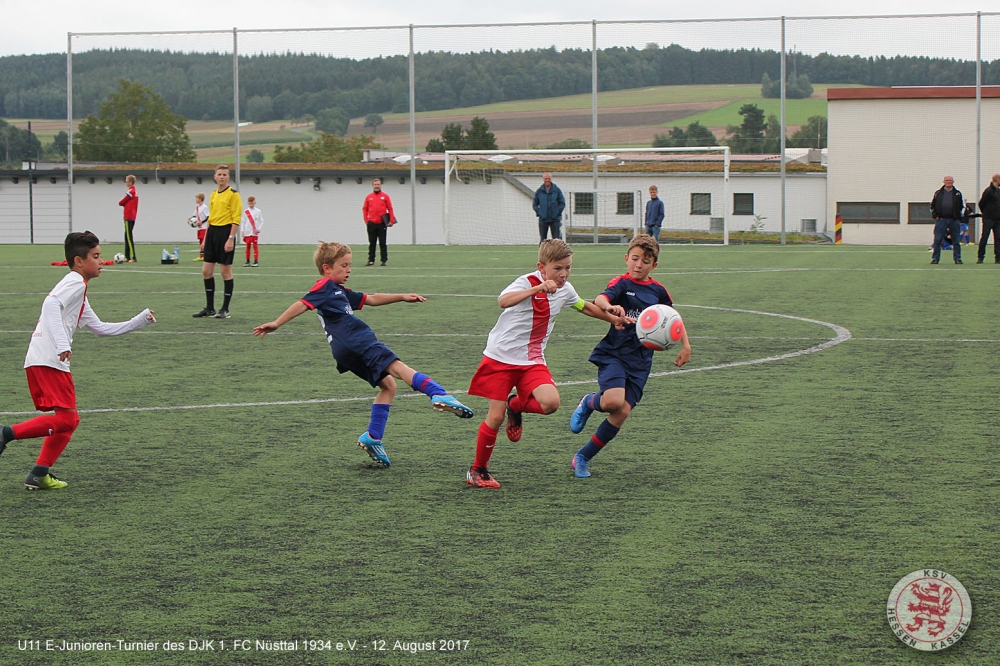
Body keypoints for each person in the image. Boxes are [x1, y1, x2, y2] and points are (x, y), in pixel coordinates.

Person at [253, 241, 474, 467]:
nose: (349, 270)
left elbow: (371, 299)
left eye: (350, 265)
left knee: (389, 386)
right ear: (327, 268)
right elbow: (302, 303)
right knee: (398, 368)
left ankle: (373, 437)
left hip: (345, 352)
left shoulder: (339, 291)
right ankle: (438, 393)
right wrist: (277, 323)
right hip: (357, 340)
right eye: (344, 265)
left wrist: (402, 296)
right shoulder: (325, 286)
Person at [465, 239, 631, 489]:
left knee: (550, 404)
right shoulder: (527, 282)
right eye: (557, 268)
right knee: (495, 417)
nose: (563, 274)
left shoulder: (565, 289)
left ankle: (516, 405)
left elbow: (583, 306)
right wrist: (538, 289)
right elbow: (504, 301)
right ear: (541, 267)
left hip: (531, 360)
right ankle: (478, 470)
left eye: (568, 268)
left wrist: (612, 319)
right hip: (500, 358)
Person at [0, 231, 155, 490]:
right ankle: (5, 433)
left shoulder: (79, 291)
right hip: (50, 357)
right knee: (67, 420)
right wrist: (62, 344)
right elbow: (50, 305)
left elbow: (101, 328)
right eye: (95, 256)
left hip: (45, 358)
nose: (101, 261)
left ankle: (39, 473)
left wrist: (138, 321)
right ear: (79, 261)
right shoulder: (74, 281)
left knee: (69, 420)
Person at [568, 234, 691, 479]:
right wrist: (609, 307)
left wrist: (685, 346)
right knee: (612, 401)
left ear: (653, 265)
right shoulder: (622, 284)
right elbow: (601, 298)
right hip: (614, 353)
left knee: (621, 412)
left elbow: (673, 319)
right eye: (634, 259)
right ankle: (589, 402)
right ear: (626, 258)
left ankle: (582, 457)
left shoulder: (658, 291)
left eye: (645, 261)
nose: (638, 265)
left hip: (641, 361)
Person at [194, 164, 242, 319]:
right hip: (212, 232)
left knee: (225, 271)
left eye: (224, 175)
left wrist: (231, 238)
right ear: (215, 176)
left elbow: (236, 218)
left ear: (228, 177)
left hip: (225, 232)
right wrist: (205, 239)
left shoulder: (233, 194)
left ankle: (225, 309)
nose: (221, 177)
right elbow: (211, 218)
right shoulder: (213, 194)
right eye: (219, 174)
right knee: (206, 271)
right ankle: (209, 308)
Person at [930, 175, 967, 265]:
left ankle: (957, 259)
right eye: (947, 180)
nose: (949, 182)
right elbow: (932, 206)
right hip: (941, 220)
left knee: (956, 240)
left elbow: (963, 206)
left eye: (950, 180)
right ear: (944, 182)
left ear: (953, 182)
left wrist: (959, 216)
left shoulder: (958, 193)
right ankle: (935, 259)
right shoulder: (938, 193)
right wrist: (935, 215)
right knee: (938, 240)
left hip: (954, 220)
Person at [362, 178, 395, 266]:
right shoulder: (369, 197)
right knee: (372, 243)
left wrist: (391, 220)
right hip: (371, 223)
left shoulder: (385, 196)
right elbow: (365, 209)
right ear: (373, 185)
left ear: (381, 185)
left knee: (382, 242)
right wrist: (366, 220)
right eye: (375, 184)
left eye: (378, 184)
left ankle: (383, 260)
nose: (377, 186)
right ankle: (371, 260)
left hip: (382, 223)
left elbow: (390, 208)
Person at [532, 173, 565, 242]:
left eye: (548, 178)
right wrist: (539, 212)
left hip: (555, 219)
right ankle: (543, 253)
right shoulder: (539, 191)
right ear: (543, 179)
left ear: (551, 179)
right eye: (545, 179)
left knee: (556, 240)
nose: (547, 180)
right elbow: (535, 204)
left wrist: (557, 212)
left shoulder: (557, 190)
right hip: (543, 219)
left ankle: (557, 253)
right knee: (543, 240)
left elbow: (562, 203)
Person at [977, 173, 1000, 264]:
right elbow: (981, 203)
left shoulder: (998, 191)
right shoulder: (989, 191)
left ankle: (998, 258)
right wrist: (986, 213)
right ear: (997, 180)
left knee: (998, 238)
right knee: (985, 237)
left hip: (998, 219)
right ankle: (980, 257)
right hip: (988, 219)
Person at [118, 174, 139, 263]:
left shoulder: (131, 191)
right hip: (130, 215)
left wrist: (122, 203)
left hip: (129, 216)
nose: (125, 182)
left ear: (130, 182)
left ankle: (133, 256)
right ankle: (127, 256)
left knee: (129, 236)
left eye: (126, 181)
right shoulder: (133, 191)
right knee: (126, 235)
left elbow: (121, 202)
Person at [241, 196, 263, 267]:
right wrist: (242, 231)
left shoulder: (258, 211)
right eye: (250, 203)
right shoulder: (245, 212)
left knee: (255, 246)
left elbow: (261, 221)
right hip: (247, 232)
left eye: (252, 203)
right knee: (247, 246)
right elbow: (243, 222)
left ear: (255, 203)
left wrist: (259, 228)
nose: (251, 205)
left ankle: (256, 261)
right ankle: (247, 261)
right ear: (248, 203)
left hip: (254, 232)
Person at [193, 192, 209, 261]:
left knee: (204, 241)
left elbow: (208, 217)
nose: (196, 199)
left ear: (200, 199)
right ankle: (201, 255)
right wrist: (190, 220)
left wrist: (201, 222)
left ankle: (205, 255)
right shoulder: (197, 208)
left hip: (204, 227)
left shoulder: (204, 207)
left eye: (197, 198)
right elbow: (194, 215)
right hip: (199, 228)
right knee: (200, 241)